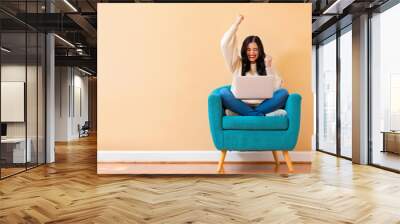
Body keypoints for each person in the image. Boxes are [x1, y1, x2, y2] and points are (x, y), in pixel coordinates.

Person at [220, 15, 289, 116]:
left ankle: (245, 114)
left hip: (264, 104)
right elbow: (224, 45)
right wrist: (236, 24)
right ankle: (259, 114)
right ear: (244, 50)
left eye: (255, 49)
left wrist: (268, 67)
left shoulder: (266, 63)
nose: (251, 53)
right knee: (223, 92)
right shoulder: (237, 63)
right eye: (248, 49)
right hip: (240, 104)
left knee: (284, 93)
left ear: (260, 50)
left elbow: (276, 88)